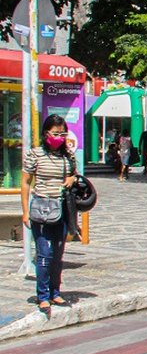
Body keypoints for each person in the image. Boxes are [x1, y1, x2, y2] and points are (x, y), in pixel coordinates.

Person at [21, 114, 77, 313]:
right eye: (55, 133)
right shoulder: (35, 154)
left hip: (61, 209)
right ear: (46, 133)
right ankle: (42, 295)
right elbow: (26, 182)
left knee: (58, 255)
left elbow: (73, 175)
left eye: (62, 133)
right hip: (41, 210)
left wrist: (71, 179)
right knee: (44, 255)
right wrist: (25, 212)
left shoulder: (67, 156)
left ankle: (55, 292)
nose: (59, 137)